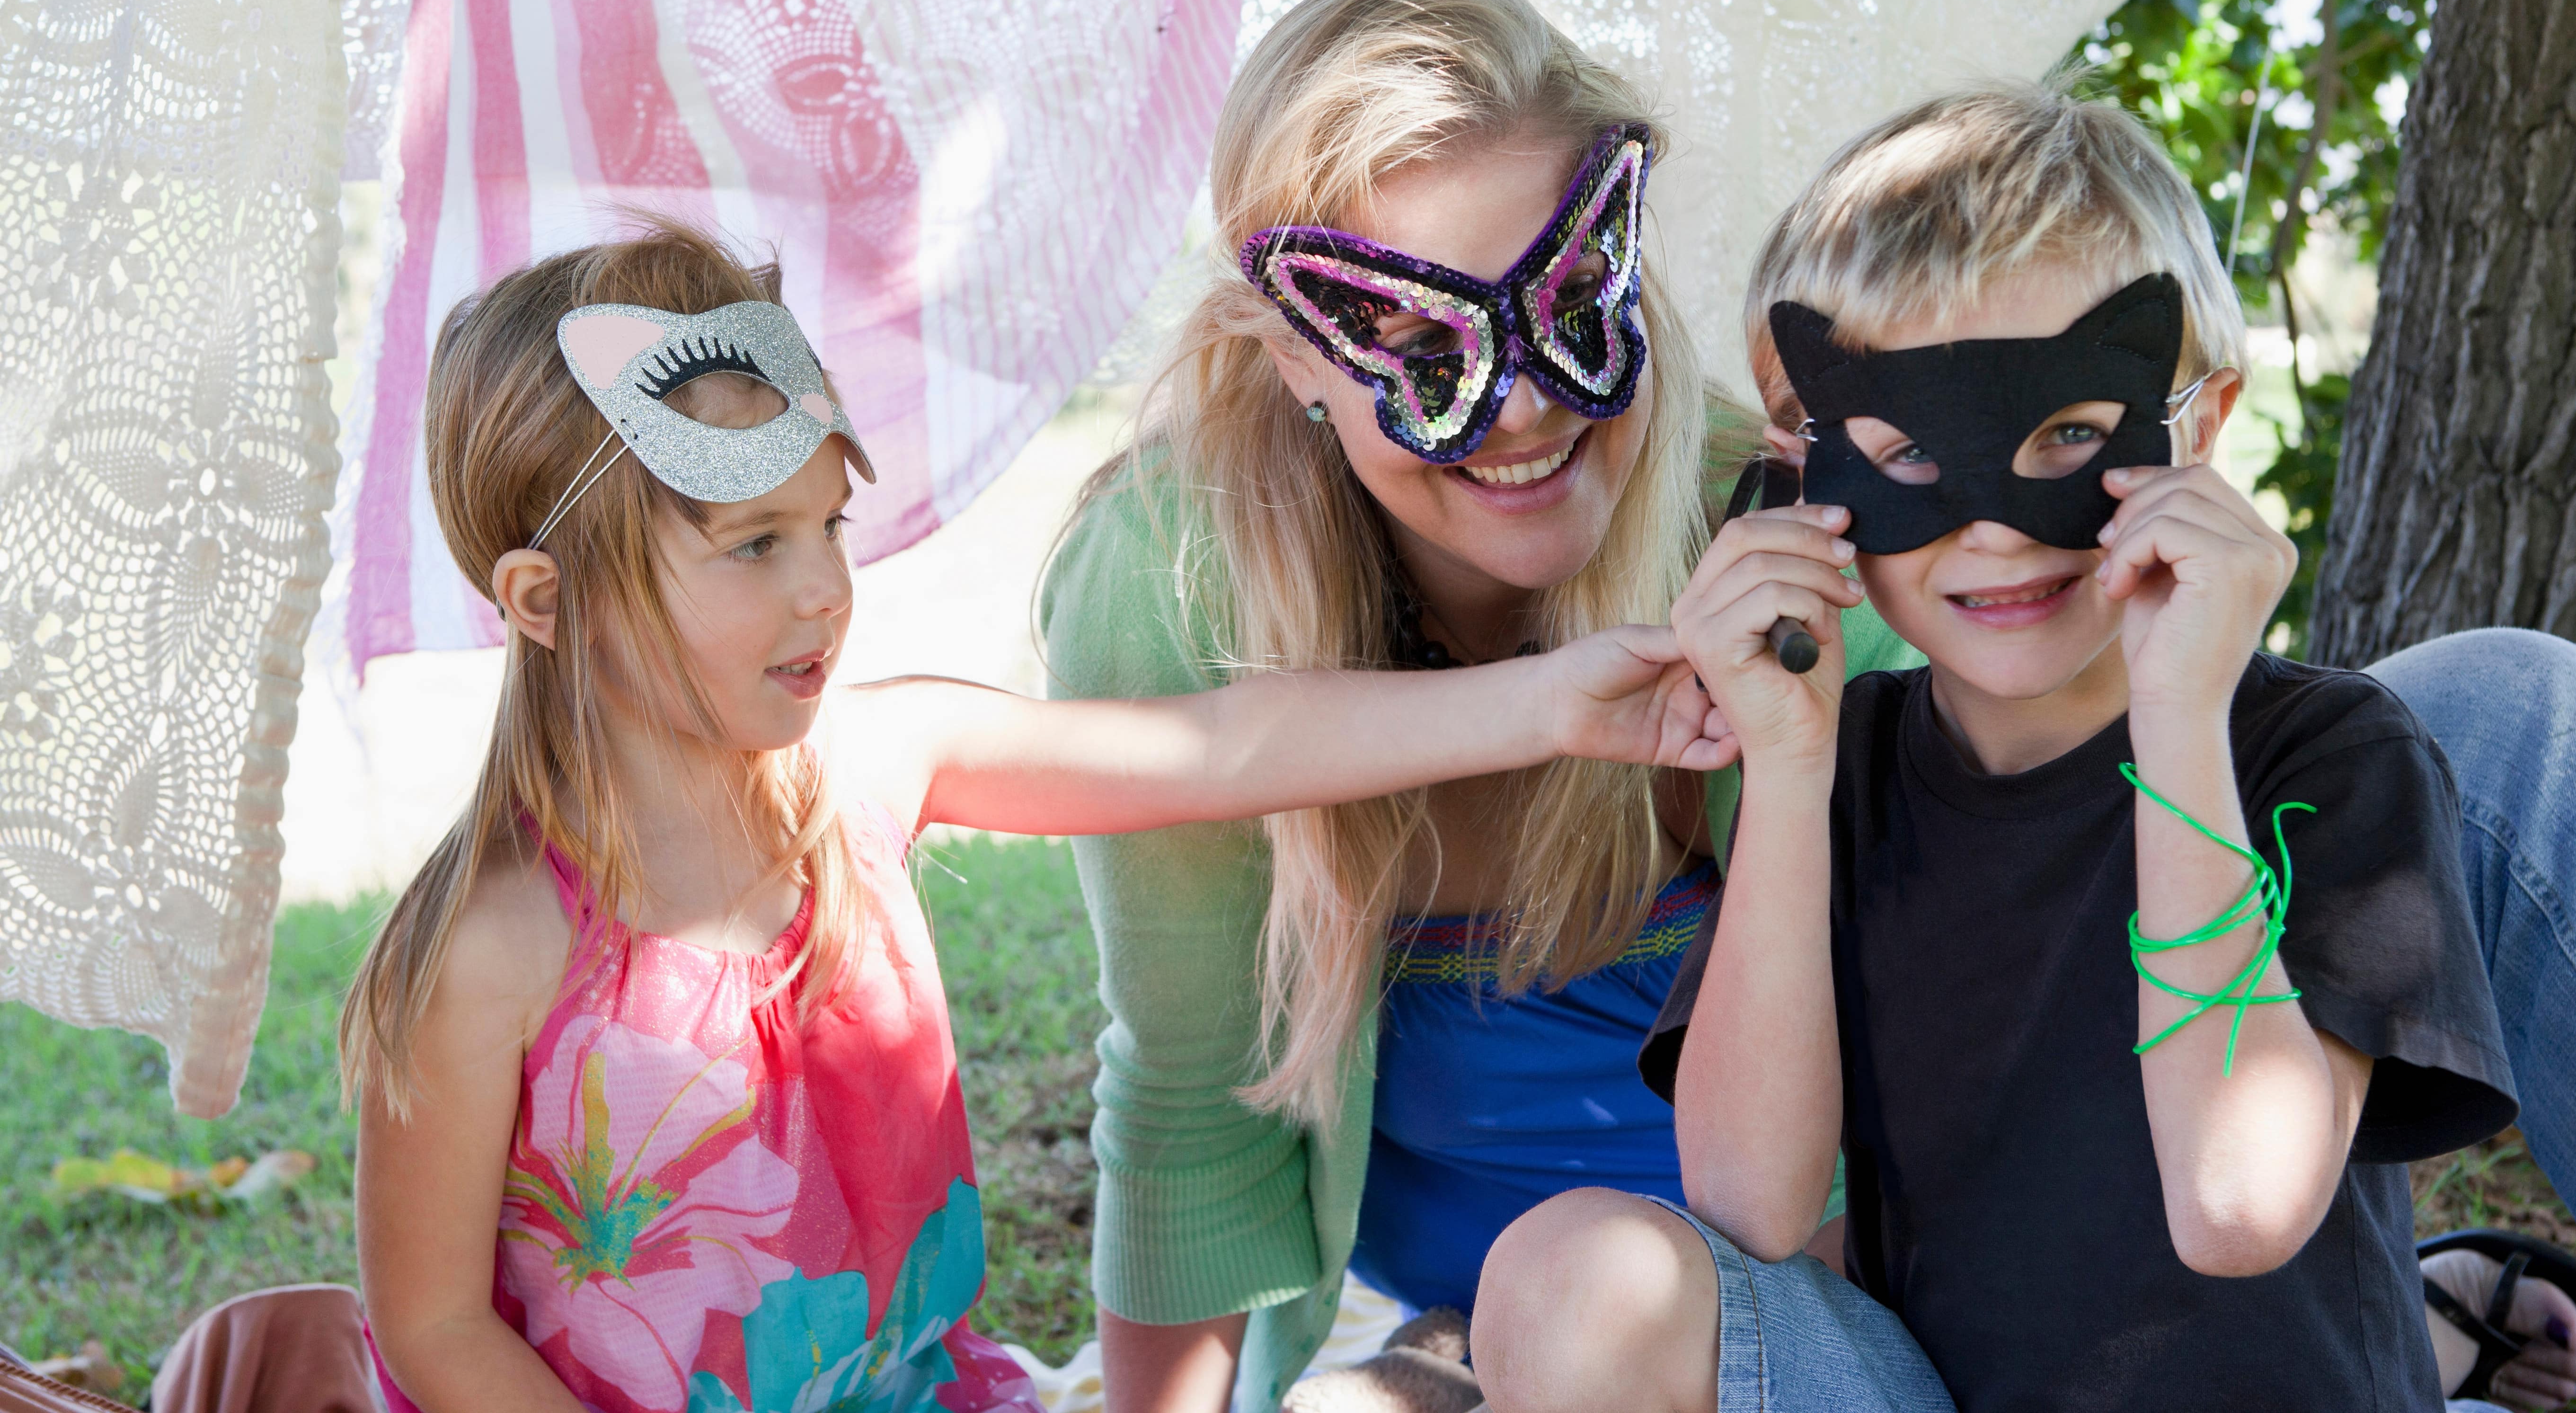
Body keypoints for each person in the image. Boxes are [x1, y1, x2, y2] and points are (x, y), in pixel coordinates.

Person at [338, 222, 1753, 1413]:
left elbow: (1215, 745)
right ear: (544, 602)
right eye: (751, 545)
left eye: (828, 525)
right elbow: (435, 1329)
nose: (823, 590)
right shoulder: (494, 946)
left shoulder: (866, 768)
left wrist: (1551, 703)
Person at [1468, 83, 2576, 1413]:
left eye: (2069, 436)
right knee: (1569, 1272)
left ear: (2194, 429)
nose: (1995, 530)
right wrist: (1785, 772)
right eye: (1904, 451)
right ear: (1803, 467)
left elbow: (2234, 1206)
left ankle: (2447, 1355)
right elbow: (1749, 1203)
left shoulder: (2318, 754)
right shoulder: (1842, 768)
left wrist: (2180, 718)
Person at [1040, 0, 1924, 1413]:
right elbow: (1195, 1105)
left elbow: (1952, 1075)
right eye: (1416, 347)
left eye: (1572, 301)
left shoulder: (1772, 541)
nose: (1519, 411)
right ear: (1293, 362)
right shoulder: (1172, 590)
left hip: (1797, 1305)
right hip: (1438, 1336)